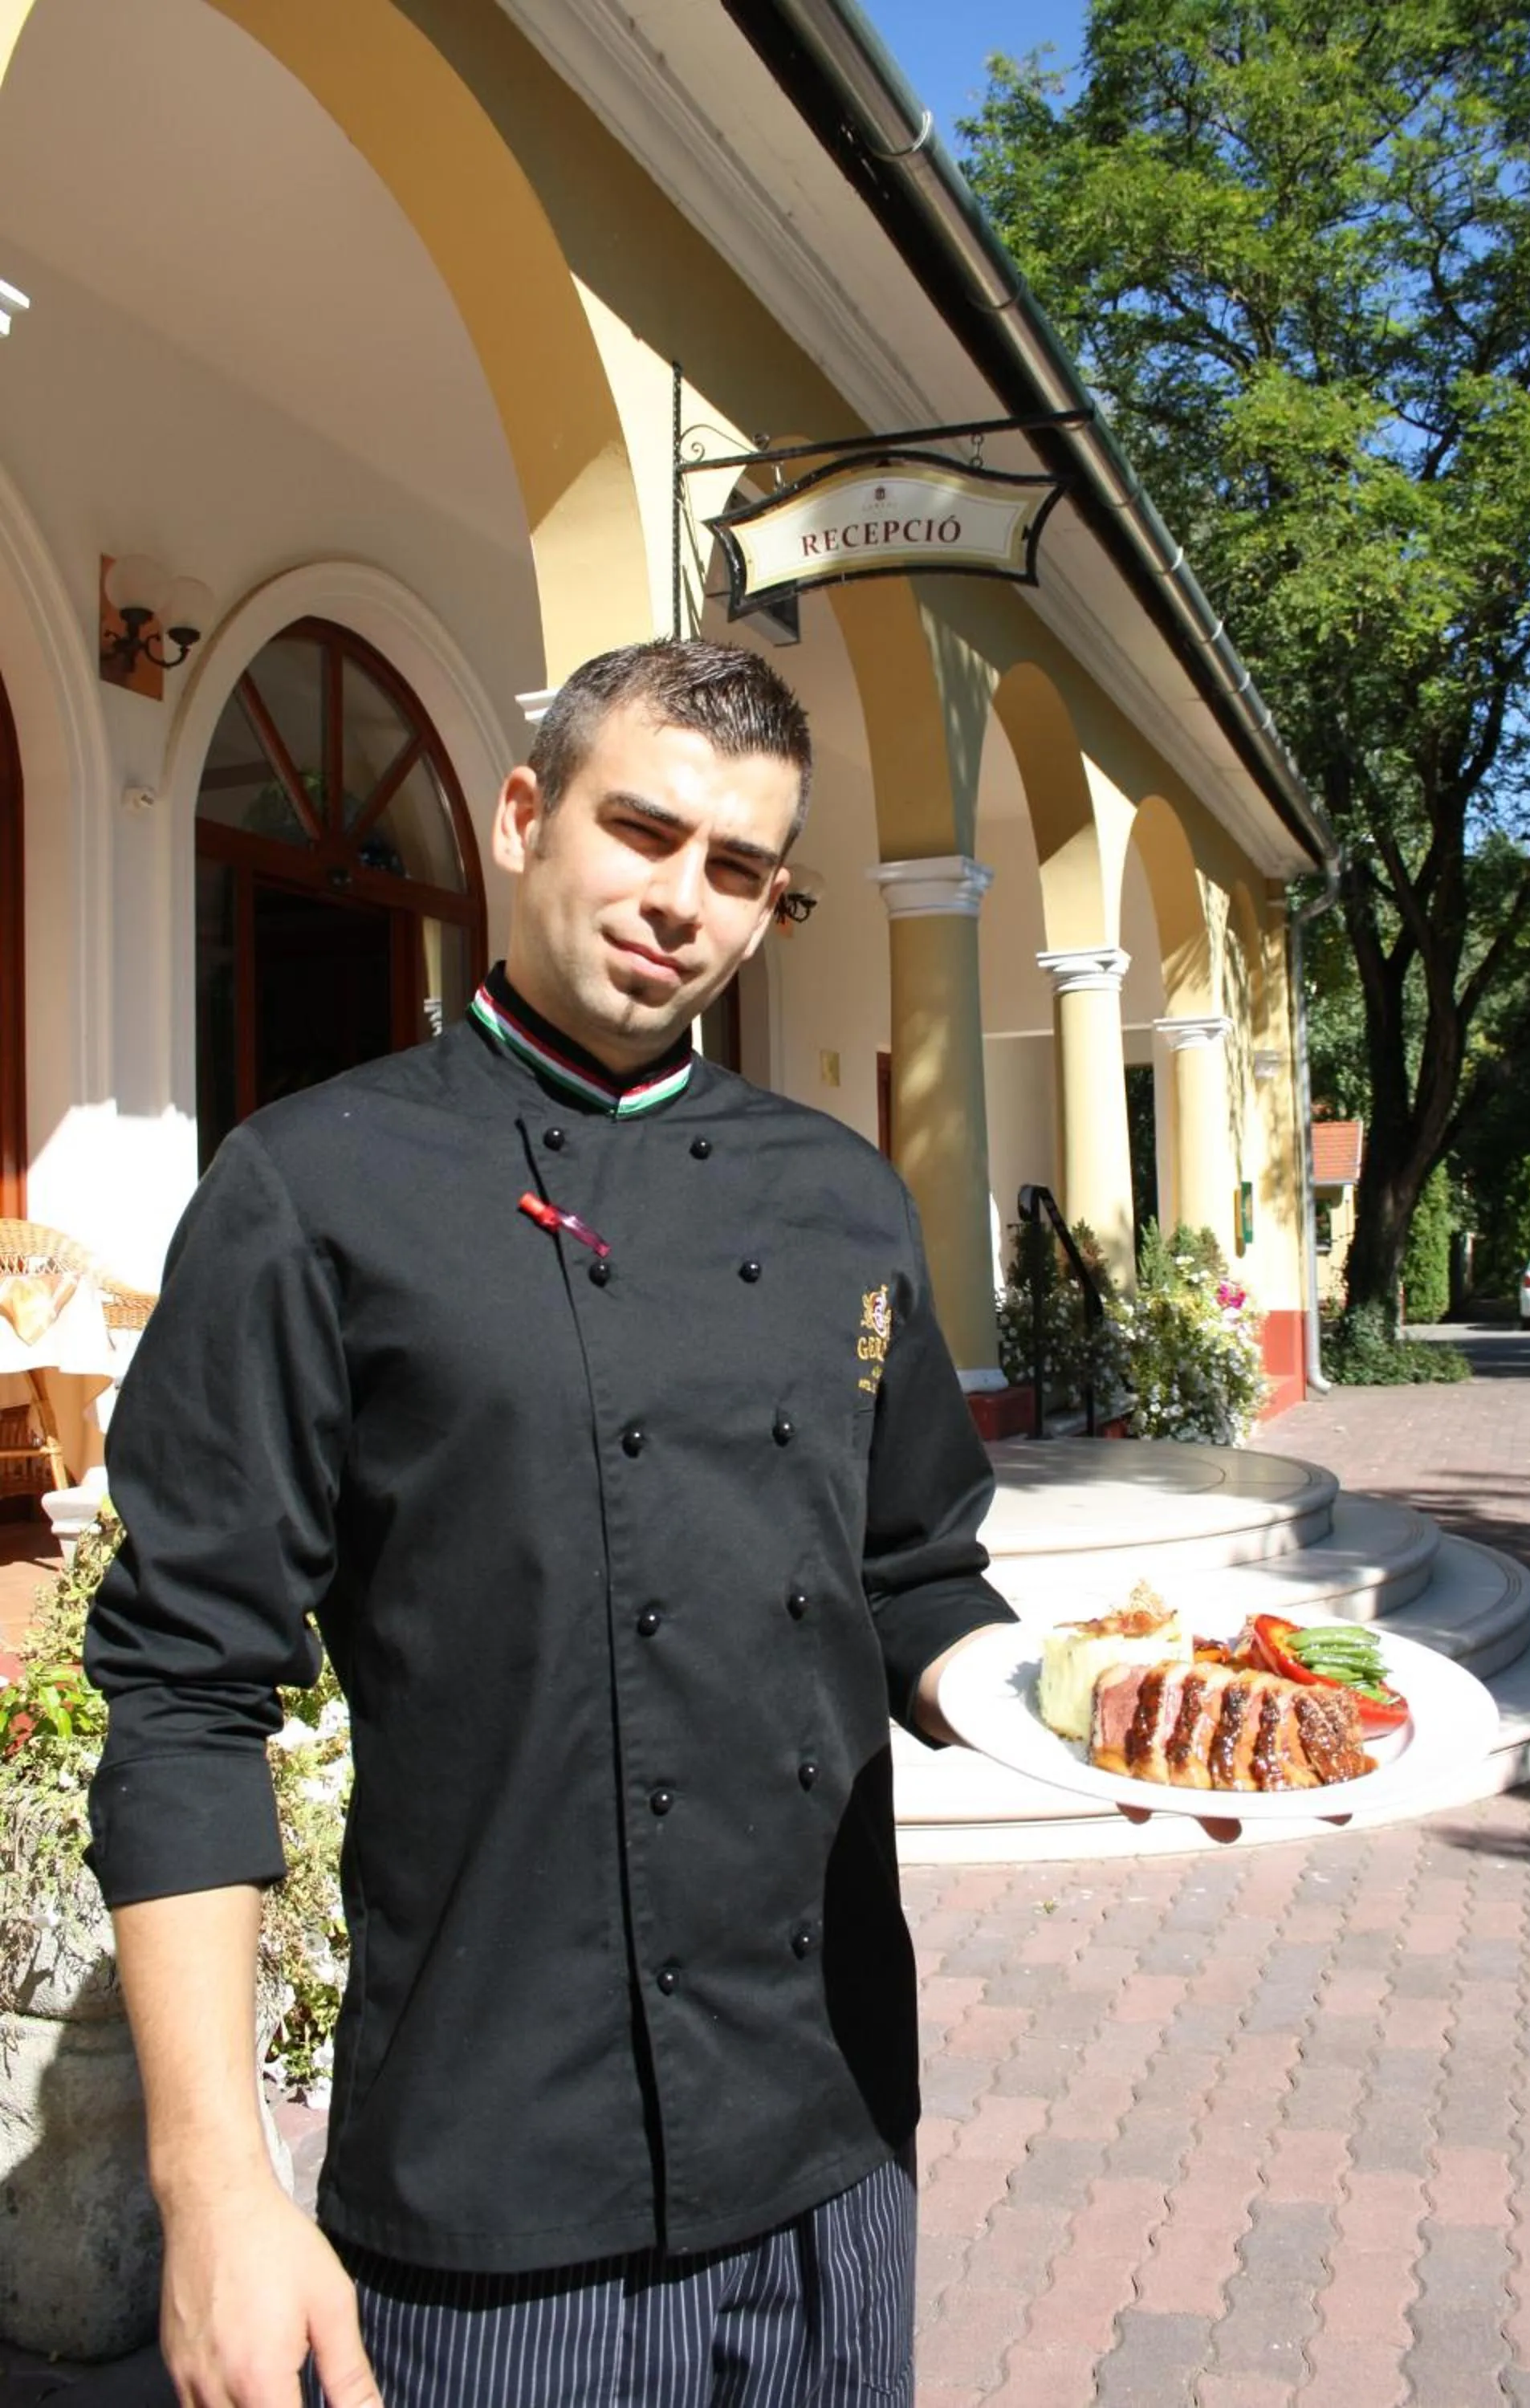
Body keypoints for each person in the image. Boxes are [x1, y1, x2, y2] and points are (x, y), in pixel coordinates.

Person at [84, 638, 1019, 2408]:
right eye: (643, 832)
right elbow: (185, 1690)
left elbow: (914, 1574)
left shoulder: (839, 1195)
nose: (684, 902)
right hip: (499, 2190)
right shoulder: (310, 1188)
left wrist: (1089, 1713)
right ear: (525, 817)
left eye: (738, 870)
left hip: (833, 2140)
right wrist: (213, 2189)